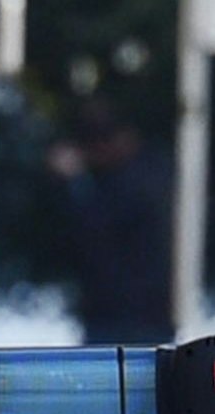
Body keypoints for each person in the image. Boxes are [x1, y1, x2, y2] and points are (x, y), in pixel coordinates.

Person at [50, 104, 174, 345]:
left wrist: (76, 182)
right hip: (112, 313)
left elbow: (99, 229)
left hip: (138, 315)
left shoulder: (140, 178)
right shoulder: (131, 174)